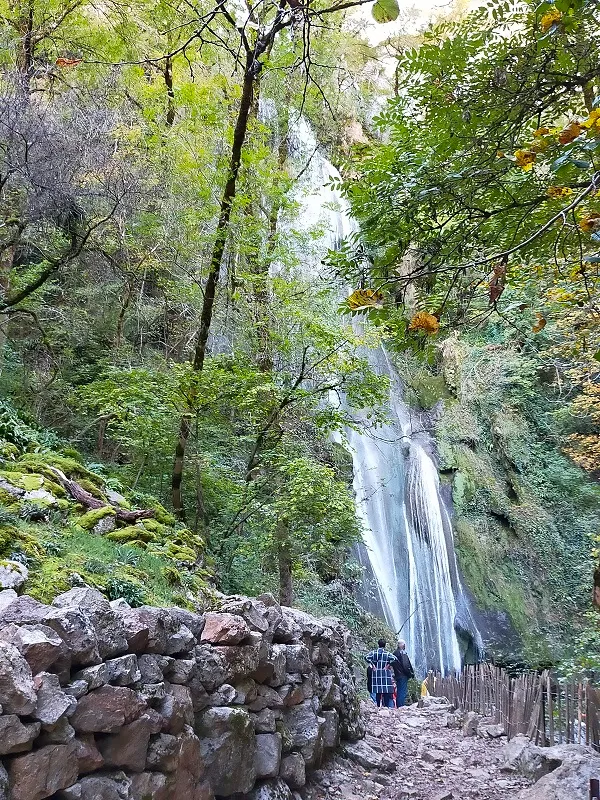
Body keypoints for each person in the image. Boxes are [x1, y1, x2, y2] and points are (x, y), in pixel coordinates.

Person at [365, 639, 397, 708]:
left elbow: (366, 657)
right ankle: (386, 707)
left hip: (376, 674)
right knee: (385, 691)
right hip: (385, 674)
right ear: (385, 645)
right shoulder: (387, 653)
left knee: (377, 691)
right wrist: (388, 665)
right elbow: (395, 659)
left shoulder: (373, 653)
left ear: (378, 644)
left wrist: (373, 665)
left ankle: (378, 706)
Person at [392, 639, 415, 708]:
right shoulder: (403, 653)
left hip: (397, 675)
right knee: (402, 692)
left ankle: (399, 706)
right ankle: (401, 706)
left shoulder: (394, 653)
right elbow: (406, 665)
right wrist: (410, 674)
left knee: (399, 691)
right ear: (403, 645)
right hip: (403, 675)